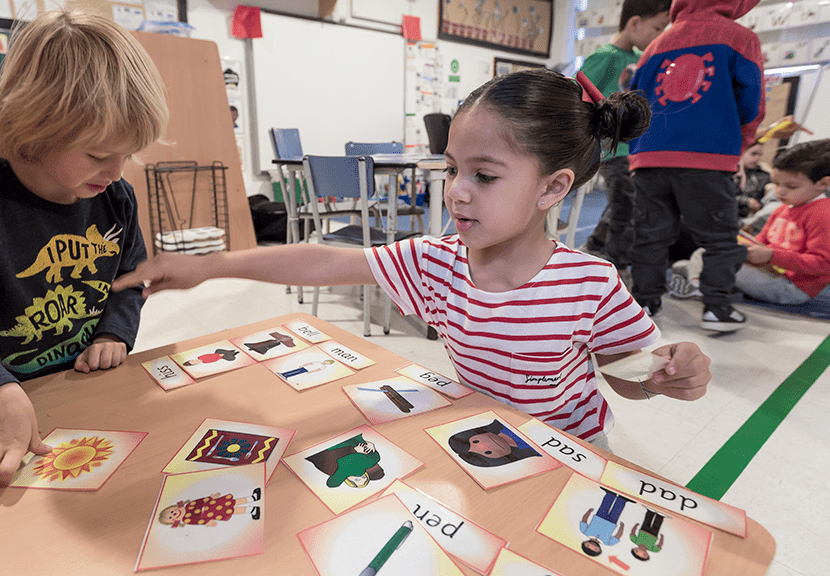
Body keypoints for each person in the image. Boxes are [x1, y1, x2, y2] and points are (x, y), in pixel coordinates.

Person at [114, 68, 712, 450]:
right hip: (479, 439)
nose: (456, 190)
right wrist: (210, 265)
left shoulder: (590, 282)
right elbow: (321, 263)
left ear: (552, 189)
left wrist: (663, 378)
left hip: (568, 451)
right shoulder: (439, 262)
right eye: (452, 169)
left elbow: (625, 378)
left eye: (484, 175)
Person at [0, 9, 169, 503]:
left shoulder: (115, 196)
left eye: (128, 153)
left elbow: (130, 277)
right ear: (36, 127)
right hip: (0, 404)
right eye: (98, 153)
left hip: (83, 388)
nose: (116, 170)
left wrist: (113, 331)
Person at [626, 0, 766, 332]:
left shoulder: (655, 45)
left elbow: (635, 101)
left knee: (650, 235)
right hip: (708, 154)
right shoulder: (739, 37)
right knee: (719, 238)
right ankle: (717, 308)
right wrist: (741, 144)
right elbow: (752, 100)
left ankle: (644, 304)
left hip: (649, 155)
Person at [579, 0, 671, 272]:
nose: (659, 35)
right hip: (611, 148)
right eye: (657, 27)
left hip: (634, 150)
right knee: (625, 207)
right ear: (634, 23)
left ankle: (595, 244)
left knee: (624, 201)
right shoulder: (607, 56)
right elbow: (578, 91)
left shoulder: (640, 60)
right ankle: (616, 266)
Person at [736, 139, 830, 305]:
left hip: (792, 287)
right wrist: (746, 246)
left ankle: (701, 280)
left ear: (823, 183)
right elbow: (760, 242)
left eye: (791, 186)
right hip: (768, 272)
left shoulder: (824, 214)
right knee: (708, 255)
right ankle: (700, 278)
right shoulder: (783, 208)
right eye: (776, 183)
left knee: (722, 269)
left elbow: (825, 264)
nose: (780, 191)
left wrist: (772, 255)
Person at [733, 141, 771, 218]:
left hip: (751, 217)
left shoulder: (763, 175)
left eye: (760, 155)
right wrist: (746, 201)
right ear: (741, 152)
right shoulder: (730, 173)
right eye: (753, 153)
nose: (757, 158)